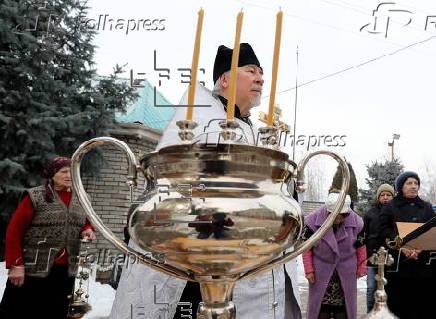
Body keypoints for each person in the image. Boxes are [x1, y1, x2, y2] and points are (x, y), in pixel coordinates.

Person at [110, 43, 302, 319]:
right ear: (224, 79)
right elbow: (170, 189)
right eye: (250, 71)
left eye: (262, 73)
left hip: (240, 259)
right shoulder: (196, 119)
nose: (260, 78)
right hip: (189, 261)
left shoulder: (250, 129)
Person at [0, 157, 96, 319]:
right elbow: (14, 231)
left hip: (65, 270)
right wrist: (16, 264)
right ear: (52, 174)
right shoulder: (36, 196)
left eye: (72, 171)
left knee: (56, 312)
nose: (69, 175)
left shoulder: (83, 198)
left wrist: (87, 230)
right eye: (63, 171)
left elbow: (87, 222)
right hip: (33, 269)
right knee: (20, 312)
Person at [378, 171, 435, 319]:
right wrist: (401, 247)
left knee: (421, 304)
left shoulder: (426, 208)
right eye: (409, 183)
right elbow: (383, 229)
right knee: (398, 305)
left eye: (416, 183)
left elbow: (432, 230)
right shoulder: (390, 207)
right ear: (401, 187)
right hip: (398, 264)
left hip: (421, 265)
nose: (413, 186)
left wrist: (422, 247)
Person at [302, 192, 366, 319]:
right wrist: (309, 270)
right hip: (321, 270)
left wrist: (362, 267)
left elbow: (361, 246)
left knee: (343, 309)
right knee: (320, 309)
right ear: (328, 212)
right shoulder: (311, 222)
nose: (339, 220)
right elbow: (306, 248)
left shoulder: (357, 223)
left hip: (346, 270)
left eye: (343, 216)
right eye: (335, 216)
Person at [363, 183, 394, 312]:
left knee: (389, 288)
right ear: (378, 197)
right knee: (371, 287)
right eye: (383, 195)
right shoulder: (370, 213)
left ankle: (388, 312)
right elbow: (363, 234)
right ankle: (370, 312)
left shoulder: (397, 213)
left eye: (388, 195)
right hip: (373, 256)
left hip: (391, 258)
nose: (385, 197)